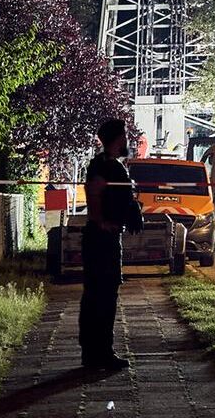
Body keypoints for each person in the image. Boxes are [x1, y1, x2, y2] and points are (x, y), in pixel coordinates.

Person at [81, 117, 143, 369]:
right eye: (124, 135)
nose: (127, 139)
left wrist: (132, 209)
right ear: (118, 139)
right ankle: (100, 352)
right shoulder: (104, 166)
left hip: (104, 237)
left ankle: (94, 352)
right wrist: (101, 222)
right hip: (102, 239)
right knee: (103, 296)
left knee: (99, 294)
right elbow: (94, 192)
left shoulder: (109, 164)